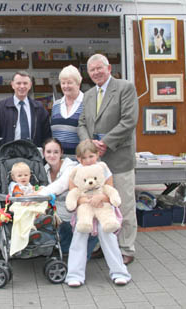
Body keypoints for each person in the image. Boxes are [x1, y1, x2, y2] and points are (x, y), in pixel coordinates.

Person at [77, 54, 139, 265]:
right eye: (92, 70)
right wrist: (89, 146)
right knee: (99, 207)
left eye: (99, 68)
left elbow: (129, 120)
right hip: (95, 165)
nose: (95, 72)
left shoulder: (125, 88)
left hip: (119, 158)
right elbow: (82, 123)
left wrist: (106, 142)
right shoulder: (88, 95)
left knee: (123, 205)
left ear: (109, 68)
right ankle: (105, 246)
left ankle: (126, 248)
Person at [64, 140, 131, 287]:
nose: (88, 161)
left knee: (107, 234)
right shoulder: (75, 172)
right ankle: (75, 274)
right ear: (78, 158)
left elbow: (110, 191)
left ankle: (119, 272)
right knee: (79, 236)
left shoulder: (104, 169)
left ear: (97, 155)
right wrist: (86, 200)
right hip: (84, 211)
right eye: (84, 158)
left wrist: (101, 197)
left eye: (91, 156)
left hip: (103, 208)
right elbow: (74, 194)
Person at [0, 71, 51, 151]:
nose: (22, 86)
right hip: (7, 157)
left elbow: (46, 136)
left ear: (30, 85)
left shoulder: (39, 108)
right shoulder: (0, 108)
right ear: (12, 85)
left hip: (33, 157)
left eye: (25, 83)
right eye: (18, 83)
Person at [37, 138, 78, 254]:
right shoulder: (44, 171)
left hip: (72, 215)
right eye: (48, 152)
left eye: (56, 152)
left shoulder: (71, 167)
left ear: (61, 153)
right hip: (56, 214)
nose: (52, 155)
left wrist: (37, 194)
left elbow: (60, 186)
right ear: (43, 153)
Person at [51, 65, 84, 156]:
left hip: (80, 162)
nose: (66, 86)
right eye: (63, 83)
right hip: (58, 162)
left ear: (78, 83)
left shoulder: (87, 103)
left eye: (69, 83)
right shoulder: (56, 105)